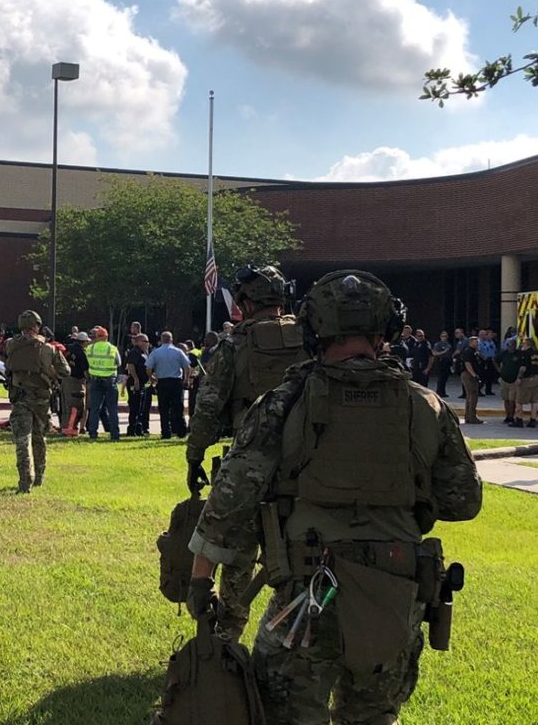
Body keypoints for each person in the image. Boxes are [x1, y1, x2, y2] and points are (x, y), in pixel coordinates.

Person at [187, 269, 482, 725]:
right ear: (385, 330)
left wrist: (200, 581)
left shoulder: (284, 402)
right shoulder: (426, 405)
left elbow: (230, 500)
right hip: (394, 594)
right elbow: (464, 501)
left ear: (313, 329)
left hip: (307, 598)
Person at [185, 264, 307, 639]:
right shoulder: (310, 338)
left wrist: (195, 456)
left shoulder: (234, 344)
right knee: (303, 550)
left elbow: (208, 407)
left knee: (237, 551)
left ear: (245, 302)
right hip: (306, 462)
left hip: (249, 459)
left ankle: (228, 636)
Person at [5, 310, 70, 492]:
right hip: (41, 399)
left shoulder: (11, 345)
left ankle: (25, 480)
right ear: (37, 325)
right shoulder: (48, 349)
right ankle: (39, 476)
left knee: (22, 440)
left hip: (20, 397)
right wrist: (50, 372)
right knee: (39, 438)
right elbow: (66, 371)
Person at [145, 331, 190, 439]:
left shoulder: (156, 352)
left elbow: (148, 368)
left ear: (161, 340)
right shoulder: (178, 351)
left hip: (162, 382)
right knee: (178, 408)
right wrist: (186, 379)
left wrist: (152, 378)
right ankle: (181, 431)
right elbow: (187, 366)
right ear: (171, 339)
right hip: (176, 382)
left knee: (164, 409)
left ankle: (166, 432)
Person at [85, 326, 121, 441]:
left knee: (95, 408)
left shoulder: (90, 348)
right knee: (112, 409)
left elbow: (87, 362)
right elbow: (119, 363)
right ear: (106, 336)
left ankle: (92, 433)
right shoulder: (112, 348)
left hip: (95, 380)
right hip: (109, 380)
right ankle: (114, 434)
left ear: (96, 337)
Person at [61, 331, 91, 434]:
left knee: (66, 406)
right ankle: (71, 429)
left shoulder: (68, 348)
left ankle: (65, 427)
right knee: (76, 406)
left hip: (65, 380)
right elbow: (85, 370)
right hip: (76, 382)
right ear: (84, 342)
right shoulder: (81, 352)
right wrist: (89, 380)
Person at [125, 333, 152, 436]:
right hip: (135, 383)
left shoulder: (144, 352)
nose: (147, 344)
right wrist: (135, 379)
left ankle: (138, 429)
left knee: (140, 407)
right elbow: (131, 366)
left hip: (142, 383)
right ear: (139, 341)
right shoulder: (135, 352)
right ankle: (132, 429)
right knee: (135, 406)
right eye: (145, 341)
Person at [496, 337, 525, 424]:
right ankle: (507, 416)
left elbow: (523, 366)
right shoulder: (504, 353)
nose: (510, 346)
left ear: (515, 345)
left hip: (514, 381)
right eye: (508, 345)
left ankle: (512, 416)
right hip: (504, 380)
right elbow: (495, 360)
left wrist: (519, 377)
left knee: (512, 400)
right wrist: (499, 370)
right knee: (506, 399)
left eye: (512, 345)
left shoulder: (519, 354)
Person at [512, 337, 538, 428]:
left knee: (519, 400)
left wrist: (519, 377)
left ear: (527, 345)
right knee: (535, 401)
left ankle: (519, 420)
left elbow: (523, 367)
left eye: (523, 343)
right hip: (536, 378)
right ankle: (533, 420)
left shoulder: (525, 354)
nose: (522, 345)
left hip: (527, 379)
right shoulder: (536, 353)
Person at [461, 335, 483, 424]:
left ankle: (468, 416)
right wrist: (474, 375)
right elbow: (467, 364)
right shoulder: (468, 351)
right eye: (476, 342)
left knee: (470, 396)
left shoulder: (475, 351)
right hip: (468, 375)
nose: (477, 343)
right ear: (470, 342)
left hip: (471, 374)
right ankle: (472, 417)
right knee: (472, 396)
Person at [430, 329, 453, 397]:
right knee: (441, 378)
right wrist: (444, 351)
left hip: (447, 362)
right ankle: (439, 392)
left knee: (445, 378)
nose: (444, 337)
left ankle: (443, 392)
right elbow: (435, 353)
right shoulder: (438, 344)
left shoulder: (448, 344)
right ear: (440, 337)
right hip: (441, 361)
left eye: (445, 336)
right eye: (443, 336)